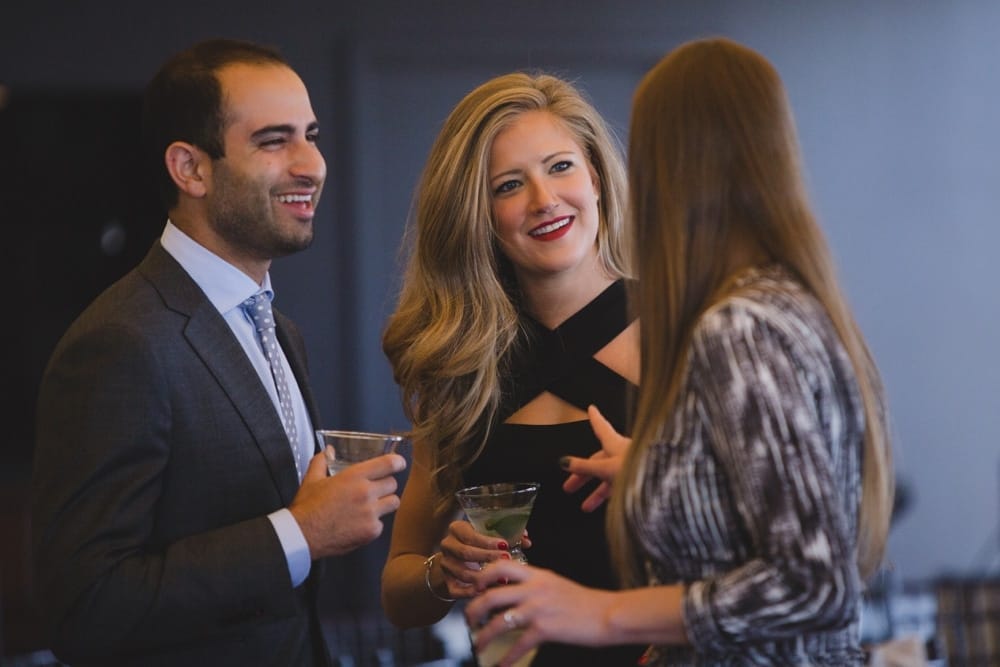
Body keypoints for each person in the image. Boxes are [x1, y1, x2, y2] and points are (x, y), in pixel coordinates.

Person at [465, 37, 895, 666]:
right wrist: (659, 473)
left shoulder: (736, 326)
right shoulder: (784, 300)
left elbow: (812, 583)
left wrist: (600, 613)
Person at [30, 38, 405, 666]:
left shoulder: (280, 329)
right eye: (273, 140)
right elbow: (84, 609)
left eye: (310, 135)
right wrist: (301, 533)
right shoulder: (119, 342)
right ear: (191, 169)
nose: (311, 163)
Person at [380, 72, 646, 665]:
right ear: (479, 215)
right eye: (508, 185)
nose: (544, 200)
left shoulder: (682, 334)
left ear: (596, 179)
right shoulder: (464, 364)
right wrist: (442, 571)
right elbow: (399, 596)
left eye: (559, 167)